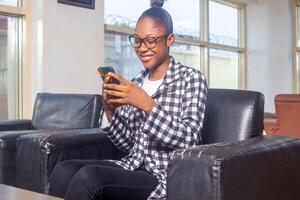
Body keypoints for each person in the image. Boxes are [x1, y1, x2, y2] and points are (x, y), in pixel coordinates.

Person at [49, 7, 207, 200]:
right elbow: (127, 144)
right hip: (132, 165)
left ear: (170, 40)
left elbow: (189, 140)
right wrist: (110, 110)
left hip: (164, 175)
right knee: (64, 169)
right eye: (137, 40)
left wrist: (148, 105)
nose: (142, 48)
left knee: (89, 177)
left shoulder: (191, 79)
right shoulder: (136, 83)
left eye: (150, 40)